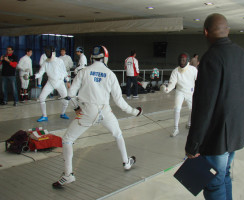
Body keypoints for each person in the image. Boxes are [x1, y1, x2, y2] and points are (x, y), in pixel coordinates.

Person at [52, 45, 142, 188]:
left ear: (92, 57)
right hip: (105, 111)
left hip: (87, 112)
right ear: (105, 57)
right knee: (118, 134)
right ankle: (126, 163)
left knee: (68, 140)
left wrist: (76, 107)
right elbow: (119, 102)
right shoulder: (111, 74)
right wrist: (135, 112)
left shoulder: (83, 72)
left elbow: (70, 95)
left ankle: (68, 174)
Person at [185, 13, 244, 200]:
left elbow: (204, 106)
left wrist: (193, 145)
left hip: (217, 137)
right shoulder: (242, 54)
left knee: (213, 184)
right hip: (236, 131)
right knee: (225, 175)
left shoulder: (211, 58)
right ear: (227, 30)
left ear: (205, 32)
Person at [160, 53, 197, 137]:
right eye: (180, 60)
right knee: (177, 108)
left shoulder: (193, 70)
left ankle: (189, 123)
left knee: (192, 109)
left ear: (187, 60)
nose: (181, 61)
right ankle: (176, 128)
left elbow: (198, 80)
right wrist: (166, 89)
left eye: (183, 60)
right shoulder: (175, 71)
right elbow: (172, 84)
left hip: (190, 92)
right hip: (180, 92)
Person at [30, 46, 70, 122]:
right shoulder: (45, 62)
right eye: (46, 52)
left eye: (49, 52)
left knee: (66, 99)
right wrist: (34, 76)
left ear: (53, 52)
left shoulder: (59, 61)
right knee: (41, 98)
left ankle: (63, 113)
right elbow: (40, 73)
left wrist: (67, 81)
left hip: (60, 82)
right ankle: (44, 116)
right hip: (50, 82)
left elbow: (64, 72)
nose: (47, 53)